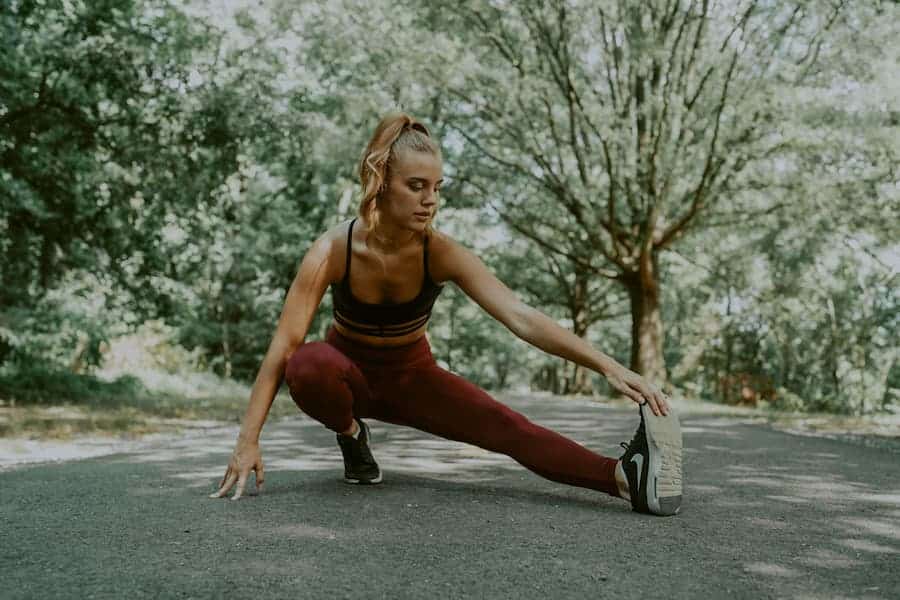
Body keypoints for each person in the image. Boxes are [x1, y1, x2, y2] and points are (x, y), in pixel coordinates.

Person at [209, 112, 683, 516]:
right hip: (345, 375)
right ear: (380, 182)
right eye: (416, 186)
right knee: (307, 364)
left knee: (508, 427)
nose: (430, 199)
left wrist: (609, 366)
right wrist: (247, 441)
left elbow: (520, 316)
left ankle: (627, 479)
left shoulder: (440, 252)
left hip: (413, 378)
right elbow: (283, 347)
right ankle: (352, 435)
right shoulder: (331, 251)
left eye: (437, 187)